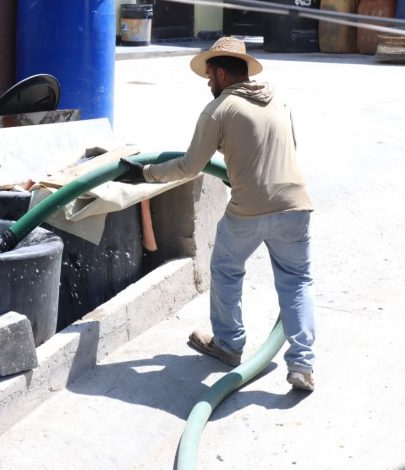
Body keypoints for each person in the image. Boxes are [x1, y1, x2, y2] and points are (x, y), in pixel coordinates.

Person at [116, 37, 316, 391]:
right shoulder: (280, 100)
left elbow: (190, 166)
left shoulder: (220, 109)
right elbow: (290, 149)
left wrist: (143, 174)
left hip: (249, 210)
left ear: (222, 73)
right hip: (296, 206)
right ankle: (301, 364)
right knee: (296, 281)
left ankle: (228, 344)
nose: (208, 83)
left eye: (210, 76)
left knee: (225, 270)